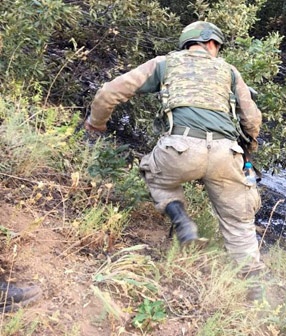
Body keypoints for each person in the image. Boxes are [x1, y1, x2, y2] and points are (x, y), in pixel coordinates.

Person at [84, 21, 266, 299]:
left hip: (180, 147)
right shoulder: (230, 72)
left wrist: (96, 124)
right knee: (239, 222)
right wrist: (248, 150)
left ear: (187, 43)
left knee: (156, 177)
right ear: (212, 44)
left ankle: (182, 220)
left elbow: (110, 92)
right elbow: (251, 118)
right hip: (226, 153)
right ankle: (255, 293)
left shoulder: (163, 64)